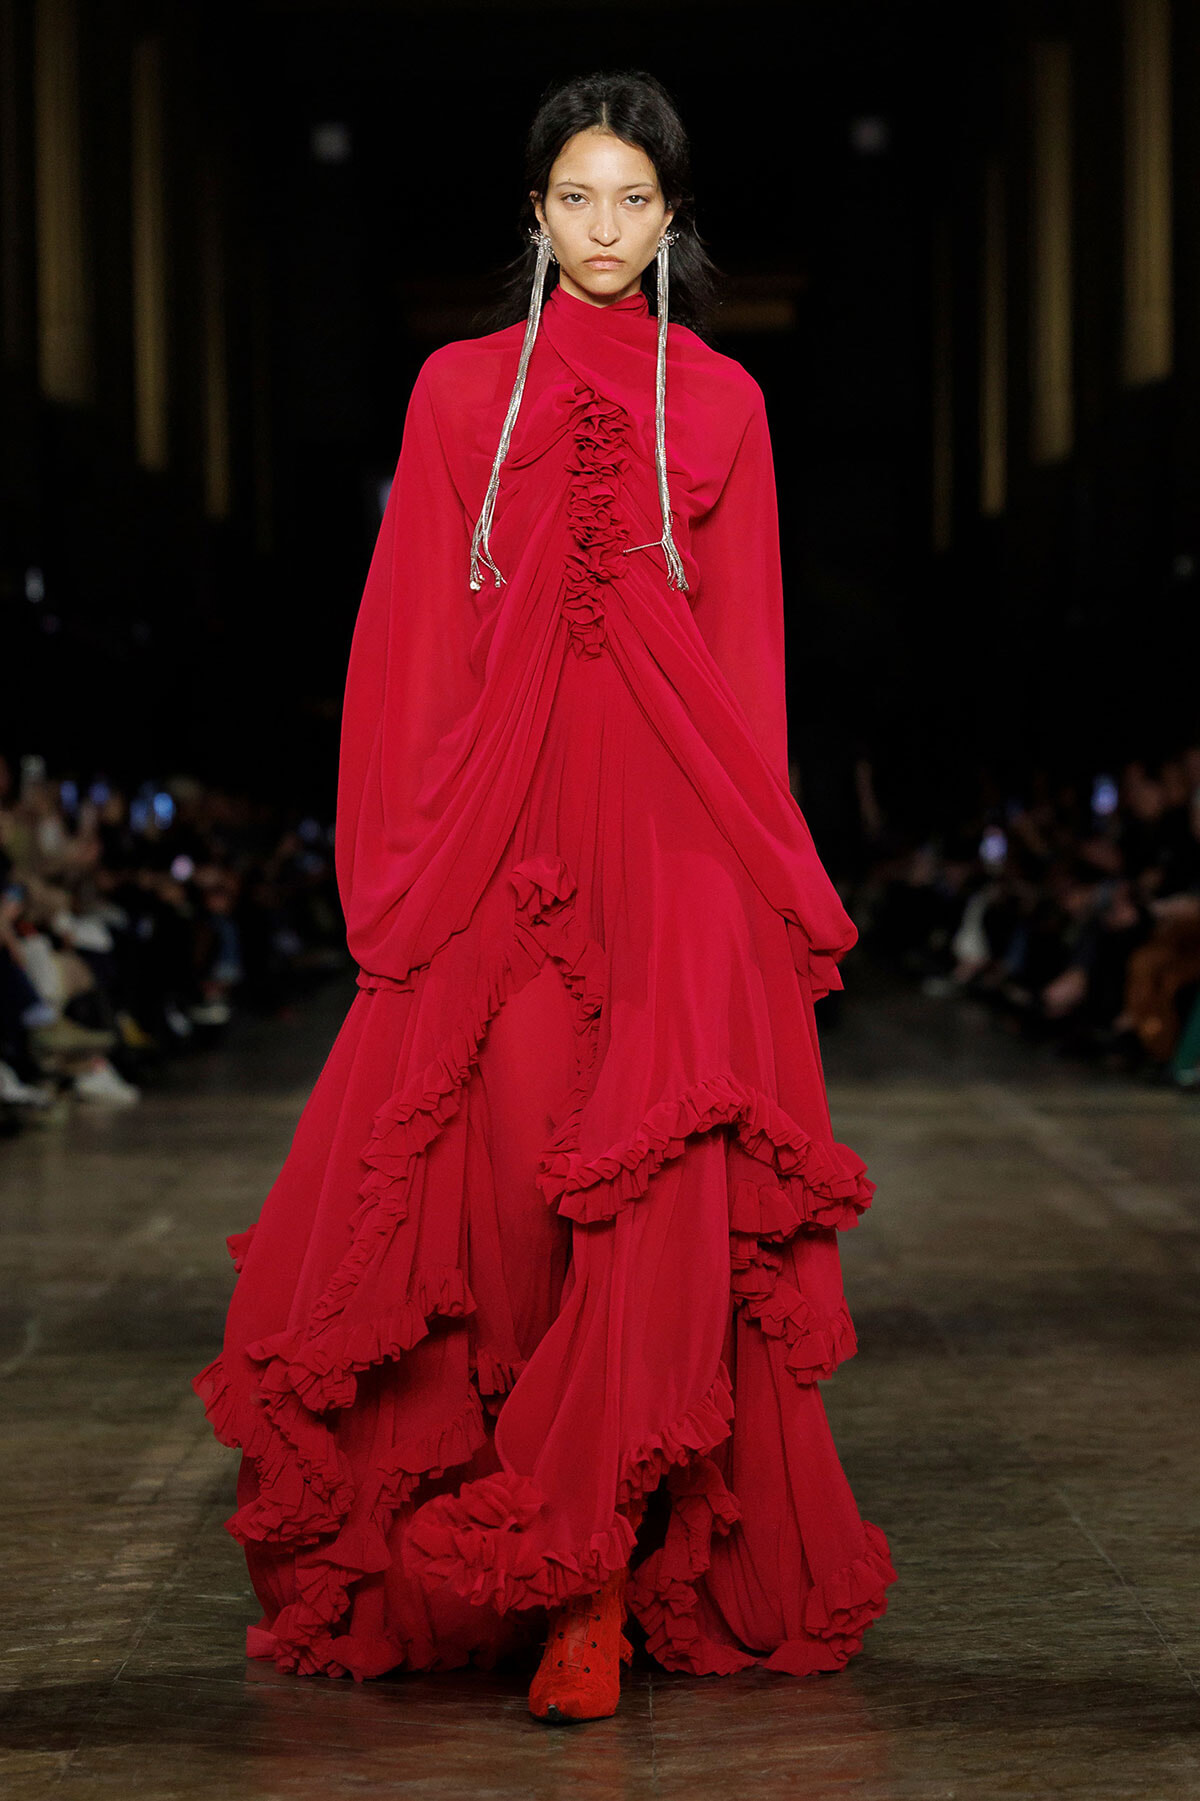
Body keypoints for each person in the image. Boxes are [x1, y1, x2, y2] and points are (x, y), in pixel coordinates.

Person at [193, 67, 896, 1724]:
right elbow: (409, 641)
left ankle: (594, 1585)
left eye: (630, 200)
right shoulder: (457, 394)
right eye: (574, 197)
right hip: (504, 846)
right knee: (504, 1196)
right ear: (535, 214)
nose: (601, 227)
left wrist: (755, 869)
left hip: (671, 844)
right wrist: (404, 868)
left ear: (670, 220)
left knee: (654, 1209)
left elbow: (748, 658)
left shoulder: (722, 402)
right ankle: (511, 1548)